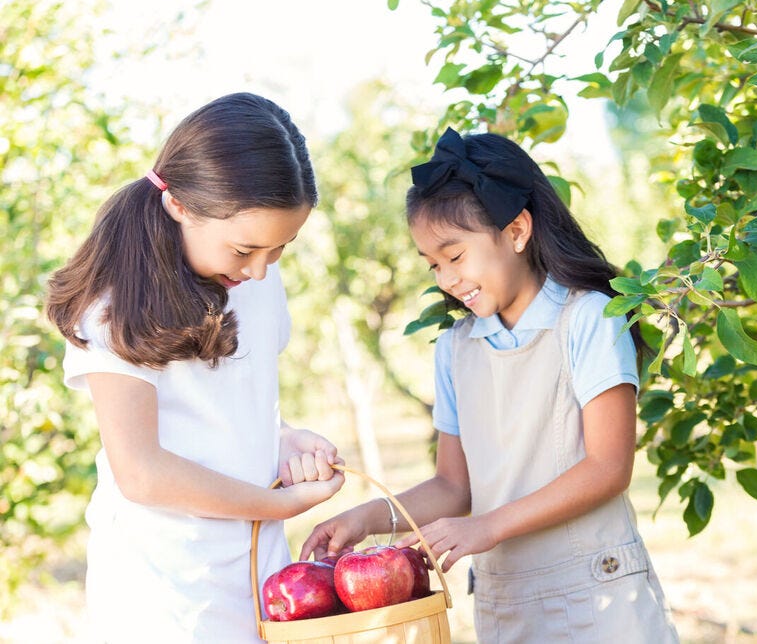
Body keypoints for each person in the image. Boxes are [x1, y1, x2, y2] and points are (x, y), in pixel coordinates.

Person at [301, 127, 678, 643]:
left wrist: (487, 527)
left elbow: (608, 467)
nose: (445, 279)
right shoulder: (456, 349)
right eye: (433, 264)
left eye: (455, 257)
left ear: (517, 231)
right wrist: (365, 518)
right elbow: (454, 487)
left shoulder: (587, 317)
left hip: (600, 597)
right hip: (507, 604)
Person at [46, 92, 345, 643]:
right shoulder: (113, 305)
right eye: (244, 250)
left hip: (257, 569)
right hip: (163, 591)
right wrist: (279, 503)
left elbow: (233, 409)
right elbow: (141, 471)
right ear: (180, 205)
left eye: (279, 249)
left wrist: (286, 438)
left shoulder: (255, 280)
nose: (259, 271)